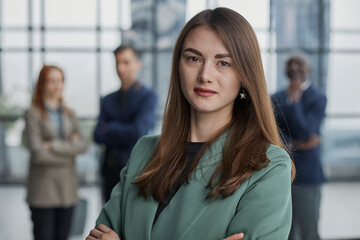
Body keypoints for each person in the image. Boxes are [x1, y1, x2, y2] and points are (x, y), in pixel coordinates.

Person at [87, 7, 294, 240]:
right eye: (194, 58)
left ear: (244, 75)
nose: (205, 74)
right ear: (178, 66)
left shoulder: (267, 165)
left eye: (223, 63)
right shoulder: (144, 151)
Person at [24, 65, 88, 240]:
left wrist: (52, 145)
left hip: (67, 190)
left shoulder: (70, 114)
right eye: (52, 81)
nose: (57, 85)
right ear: (42, 84)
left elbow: (83, 145)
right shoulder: (33, 113)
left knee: (63, 236)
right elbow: (38, 153)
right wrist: (69, 150)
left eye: (60, 80)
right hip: (42, 191)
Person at [272, 53, 327, 240]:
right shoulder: (276, 97)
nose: (294, 67)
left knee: (308, 230)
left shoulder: (318, 98)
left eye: (300, 64)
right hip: (280, 174)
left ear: (309, 70)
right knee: (285, 232)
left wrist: (294, 101)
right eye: (290, 64)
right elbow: (272, 133)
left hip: (307, 176)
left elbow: (307, 131)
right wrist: (294, 143)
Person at [93, 44, 158, 203]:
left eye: (126, 62)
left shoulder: (148, 96)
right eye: (117, 63)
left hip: (135, 169)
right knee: (108, 221)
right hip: (109, 170)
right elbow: (97, 135)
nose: (120, 68)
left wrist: (111, 127)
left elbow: (139, 131)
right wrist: (123, 131)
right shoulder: (108, 99)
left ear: (137, 64)